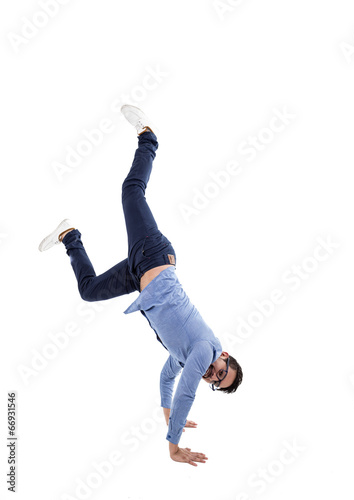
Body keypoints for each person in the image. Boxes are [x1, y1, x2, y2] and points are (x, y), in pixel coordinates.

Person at [39, 105, 243, 467]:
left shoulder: (184, 357)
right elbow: (185, 392)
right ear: (224, 357)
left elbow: (168, 381)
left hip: (139, 278)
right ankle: (149, 138)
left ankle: (70, 236)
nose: (214, 375)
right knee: (131, 192)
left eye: (217, 382)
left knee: (88, 290)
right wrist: (173, 444)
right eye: (221, 372)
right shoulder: (205, 349)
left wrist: (166, 413)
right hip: (154, 258)